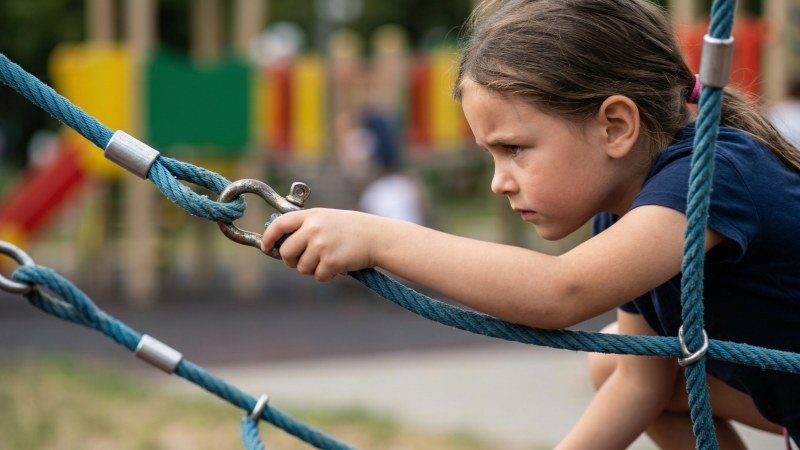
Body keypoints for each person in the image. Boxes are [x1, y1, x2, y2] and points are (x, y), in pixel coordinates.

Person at [261, 1, 800, 448]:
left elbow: (561, 292)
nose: (500, 181)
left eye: (514, 149)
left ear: (615, 126)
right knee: (615, 362)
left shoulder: (714, 176)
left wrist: (378, 237)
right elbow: (643, 380)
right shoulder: (625, 207)